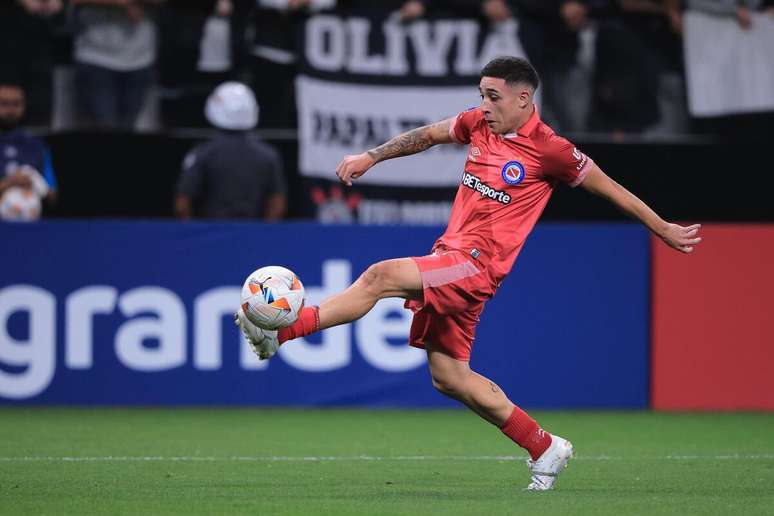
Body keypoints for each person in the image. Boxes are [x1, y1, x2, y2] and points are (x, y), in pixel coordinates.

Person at [235, 56, 702, 490]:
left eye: (493, 96)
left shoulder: (552, 150)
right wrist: (371, 157)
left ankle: (283, 333)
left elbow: (611, 190)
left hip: (476, 267)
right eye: (481, 94)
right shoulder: (479, 124)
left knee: (379, 277)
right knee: (449, 377)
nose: (484, 105)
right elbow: (429, 135)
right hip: (452, 257)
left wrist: (662, 228)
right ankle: (545, 447)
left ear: (524, 98)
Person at [174, 81, 286, 219]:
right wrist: (264, 234)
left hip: (212, 235)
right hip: (252, 235)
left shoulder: (203, 153)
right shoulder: (269, 155)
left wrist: (193, 234)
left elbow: (182, 204)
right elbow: (278, 204)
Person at [0, 83, 58, 220]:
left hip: (30, 228)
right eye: (4, 104)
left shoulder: (37, 146)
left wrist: (34, 181)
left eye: (16, 104)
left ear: (24, 106)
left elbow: (52, 196)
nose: (10, 110)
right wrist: (9, 183)